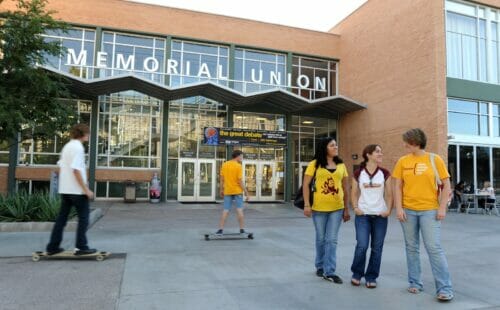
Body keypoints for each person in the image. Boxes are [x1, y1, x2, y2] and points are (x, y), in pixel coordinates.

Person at [392, 128, 454, 302]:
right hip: (408, 210)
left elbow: (446, 185)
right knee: (411, 248)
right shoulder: (402, 161)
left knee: (433, 248)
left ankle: (444, 288)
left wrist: (442, 208)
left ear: (415, 142)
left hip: (429, 210)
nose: (404, 144)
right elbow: (397, 186)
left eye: (406, 141)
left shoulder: (435, 159)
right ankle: (415, 282)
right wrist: (399, 208)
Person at [303, 137, 350, 284]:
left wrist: (346, 208)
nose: (336, 147)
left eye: (336, 145)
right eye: (332, 145)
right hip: (318, 208)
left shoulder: (341, 165)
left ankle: (329, 271)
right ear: (325, 148)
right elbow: (305, 185)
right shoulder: (315, 164)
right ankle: (320, 265)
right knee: (321, 239)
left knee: (332, 240)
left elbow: (346, 188)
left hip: (337, 208)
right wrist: (306, 204)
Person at [46, 124, 97, 255]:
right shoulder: (78, 148)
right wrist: (86, 189)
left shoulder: (67, 146)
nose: (89, 135)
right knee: (84, 218)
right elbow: (76, 170)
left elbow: (61, 167)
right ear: (83, 134)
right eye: (88, 133)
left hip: (65, 189)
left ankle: (52, 247)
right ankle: (81, 247)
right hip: (77, 191)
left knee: (61, 219)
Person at [350, 144, 392, 288]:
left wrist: (388, 210)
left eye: (381, 151)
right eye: (377, 152)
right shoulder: (358, 173)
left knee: (377, 248)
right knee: (362, 245)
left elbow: (389, 193)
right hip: (363, 215)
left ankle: (371, 276)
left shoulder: (385, 173)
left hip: (380, 216)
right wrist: (355, 207)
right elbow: (354, 192)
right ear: (368, 154)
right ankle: (357, 273)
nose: (381, 154)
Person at [216, 150, 249, 234]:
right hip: (237, 191)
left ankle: (220, 229)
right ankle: (242, 229)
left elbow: (222, 179)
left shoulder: (225, 164)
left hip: (227, 191)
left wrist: (221, 190)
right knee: (239, 210)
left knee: (226, 210)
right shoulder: (238, 166)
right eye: (241, 156)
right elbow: (239, 181)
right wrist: (246, 192)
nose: (242, 158)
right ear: (237, 156)